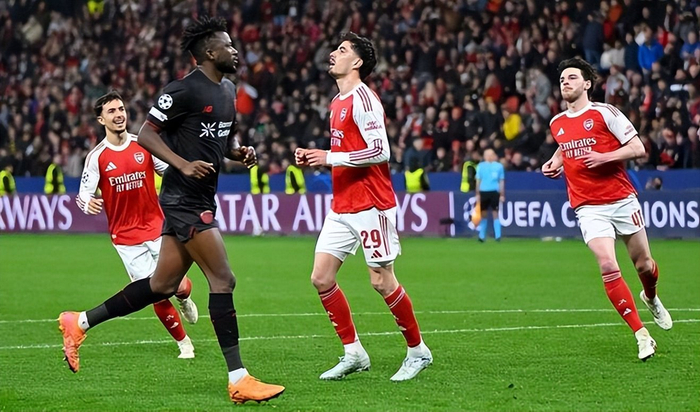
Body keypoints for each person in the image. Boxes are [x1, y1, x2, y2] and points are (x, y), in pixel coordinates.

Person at [58, 17, 285, 403]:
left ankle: (78, 322)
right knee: (223, 279)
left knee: (161, 285)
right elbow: (146, 134)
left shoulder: (228, 90)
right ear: (209, 52)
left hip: (200, 197)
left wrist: (238, 153)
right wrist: (181, 165)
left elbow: (220, 139)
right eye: (228, 45)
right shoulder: (182, 89)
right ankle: (239, 378)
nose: (235, 51)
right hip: (183, 200)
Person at [295, 32, 432, 382]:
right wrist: (317, 157)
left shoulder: (364, 99)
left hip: (371, 203)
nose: (333, 53)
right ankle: (354, 353)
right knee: (320, 277)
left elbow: (380, 151)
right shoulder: (336, 101)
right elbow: (347, 151)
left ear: (356, 62)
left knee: (381, 281)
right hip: (343, 204)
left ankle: (418, 351)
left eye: (342, 50)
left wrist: (329, 157)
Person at [543, 57, 672, 361]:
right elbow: (566, 144)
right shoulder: (556, 123)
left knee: (644, 265)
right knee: (607, 264)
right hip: (587, 206)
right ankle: (642, 335)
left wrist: (605, 157)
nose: (565, 83)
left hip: (621, 199)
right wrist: (555, 162)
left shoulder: (605, 113)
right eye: (562, 79)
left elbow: (638, 148)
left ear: (587, 84)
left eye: (572, 78)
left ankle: (650, 296)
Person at [76, 91, 198, 359]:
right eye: (111, 111)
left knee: (178, 286)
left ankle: (185, 297)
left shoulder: (143, 144)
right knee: (155, 292)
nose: (119, 114)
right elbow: (83, 194)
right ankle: (184, 343)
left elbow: (167, 170)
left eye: (121, 109)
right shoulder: (97, 157)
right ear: (101, 120)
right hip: (126, 239)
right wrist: (88, 203)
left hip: (158, 228)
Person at [475, 148, 505, 242]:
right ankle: (482, 236)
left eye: (491, 154)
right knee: (483, 214)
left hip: (494, 192)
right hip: (483, 191)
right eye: (487, 155)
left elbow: (501, 181)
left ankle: (498, 235)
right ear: (484, 156)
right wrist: (477, 193)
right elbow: (478, 180)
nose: (489, 156)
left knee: (495, 213)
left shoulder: (499, 166)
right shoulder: (480, 166)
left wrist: (502, 194)